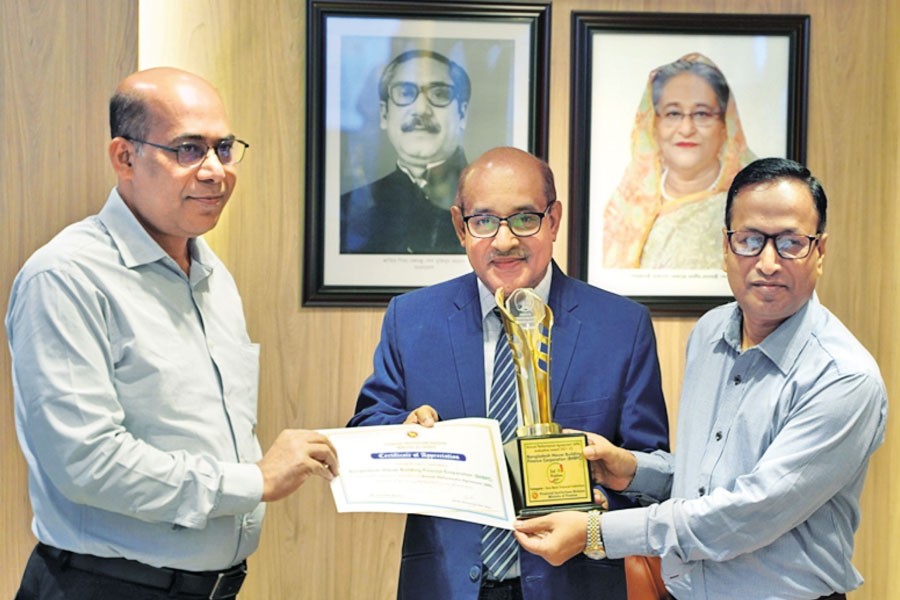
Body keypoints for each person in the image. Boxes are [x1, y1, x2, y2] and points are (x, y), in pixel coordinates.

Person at [6, 67, 339, 600]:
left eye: (224, 148)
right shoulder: (65, 276)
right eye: (188, 149)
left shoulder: (212, 274)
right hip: (104, 587)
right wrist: (254, 481)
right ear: (125, 157)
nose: (215, 171)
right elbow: (86, 462)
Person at [514, 158, 888, 600]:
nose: (768, 262)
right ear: (726, 246)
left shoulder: (843, 378)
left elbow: (746, 514)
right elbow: (705, 483)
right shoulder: (710, 334)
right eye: (749, 240)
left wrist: (596, 532)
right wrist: (630, 471)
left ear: (819, 251)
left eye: (790, 243)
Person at [348, 147, 669, 599]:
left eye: (524, 219)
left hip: (574, 583)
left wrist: (600, 509)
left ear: (553, 220)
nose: (504, 241)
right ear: (460, 227)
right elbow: (364, 432)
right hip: (444, 584)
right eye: (484, 221)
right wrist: (404, 431)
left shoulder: (621, 327)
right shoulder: (412, 319)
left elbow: (652, 474)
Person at [603, 52, 756, 269]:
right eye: (673, 114)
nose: (686, 129)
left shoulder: (749, 204)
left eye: (702, 114)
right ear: (653, 124)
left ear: (725, 125)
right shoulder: (624, 208)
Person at [341, 49, 470, 254]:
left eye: (439, 94)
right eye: (405, 93)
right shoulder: (347, 209)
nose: (420, 110)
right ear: (384, 114)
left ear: (462, 114)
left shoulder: (491, 204)